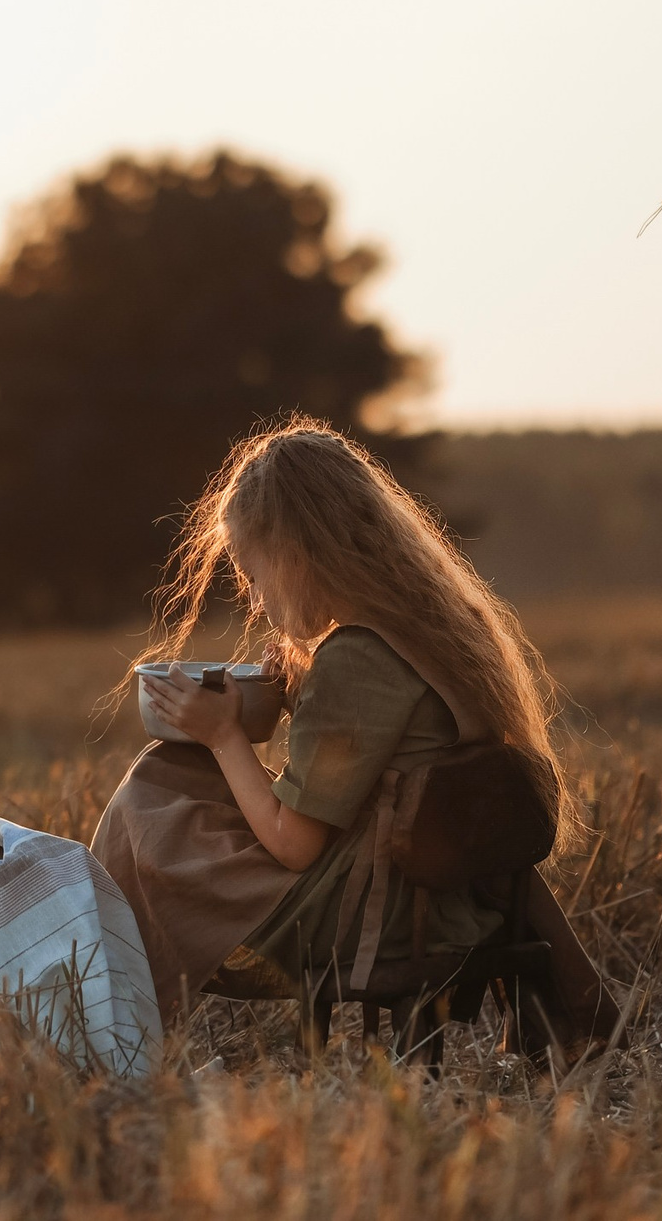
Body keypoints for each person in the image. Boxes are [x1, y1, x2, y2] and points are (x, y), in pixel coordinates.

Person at [89, 415, 571, 1029]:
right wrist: (297, 695)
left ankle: (103, 1009)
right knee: (172, 786)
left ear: (295, 554)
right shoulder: (429, 631)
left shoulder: (358, 658)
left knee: (149, 798)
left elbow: (294, 846)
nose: (256, 598)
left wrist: (224, 734)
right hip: (442, 895)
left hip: (369, 909)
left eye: (254, 572)